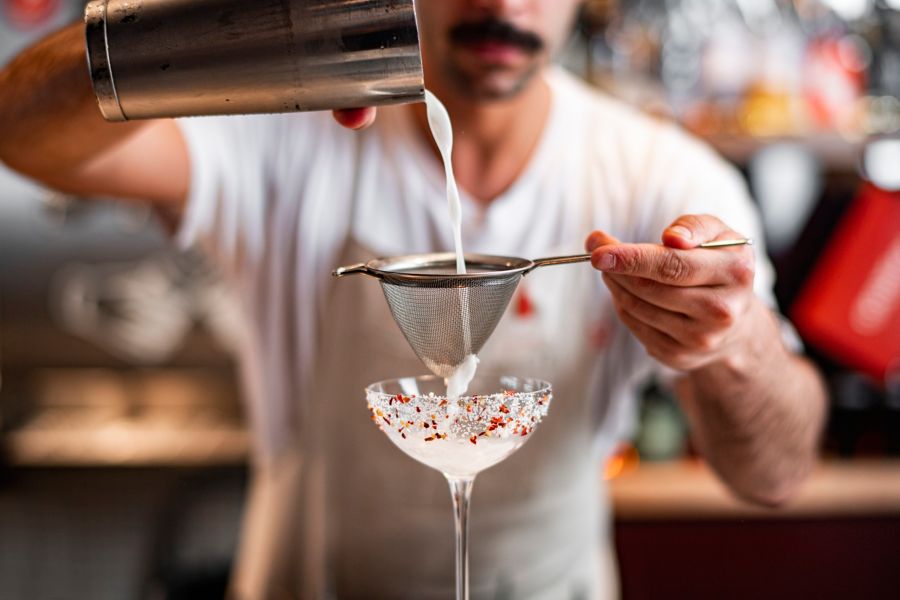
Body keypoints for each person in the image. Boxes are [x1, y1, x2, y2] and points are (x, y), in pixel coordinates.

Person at [0, 1, 826, 598]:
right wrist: (245, 21)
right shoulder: (289, 141)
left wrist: (734, 341)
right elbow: (19, 131)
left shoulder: (658, 176)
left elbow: (776, 474)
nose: (502, 5)